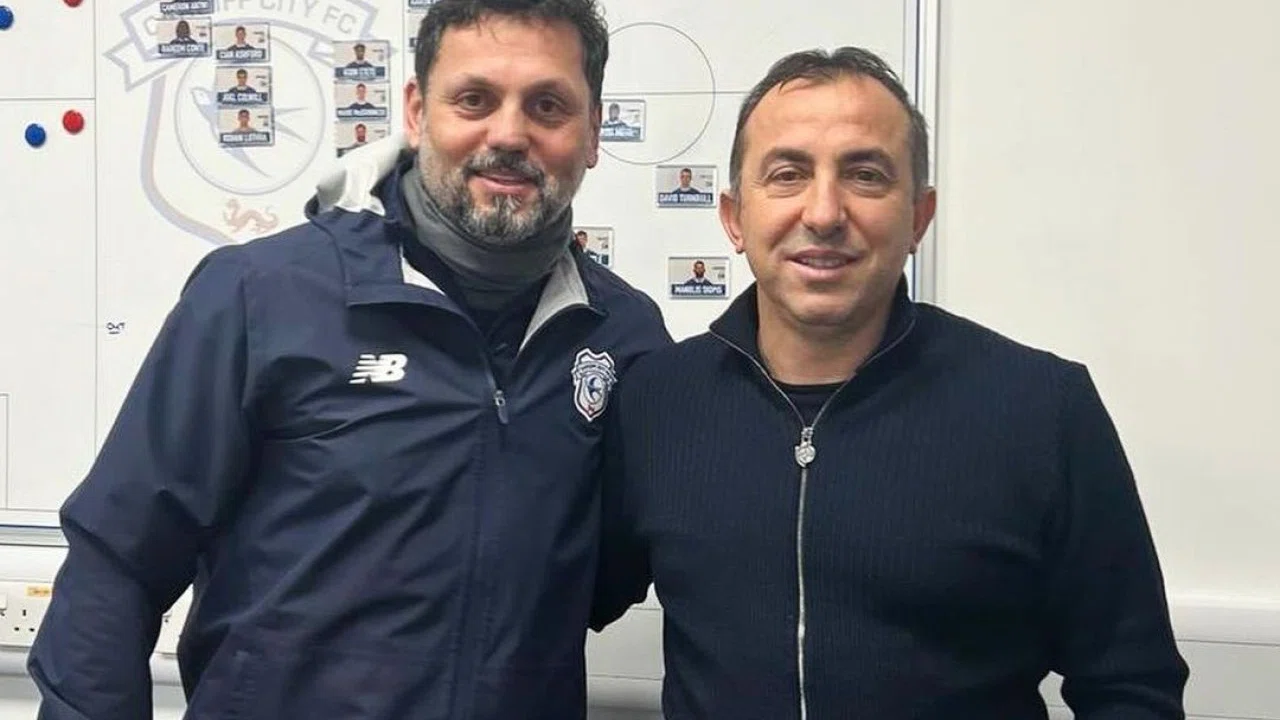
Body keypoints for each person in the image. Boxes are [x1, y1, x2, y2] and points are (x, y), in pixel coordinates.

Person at [29, 1, 669, 718]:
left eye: (548, 105)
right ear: (417, 112)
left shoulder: (625, 337)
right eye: (474, 100)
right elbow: (119, 562)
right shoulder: (259, 297)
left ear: (592, 132)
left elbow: (608, 578)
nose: (509, 134)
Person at [591, 46, 1189, 718]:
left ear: (918, 218)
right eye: (787, 174)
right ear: (734, 217)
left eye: (865, 176)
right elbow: (564, 591)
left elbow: (1131, 686)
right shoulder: (656, 403)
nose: (824, 212)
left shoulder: (1042, 410)